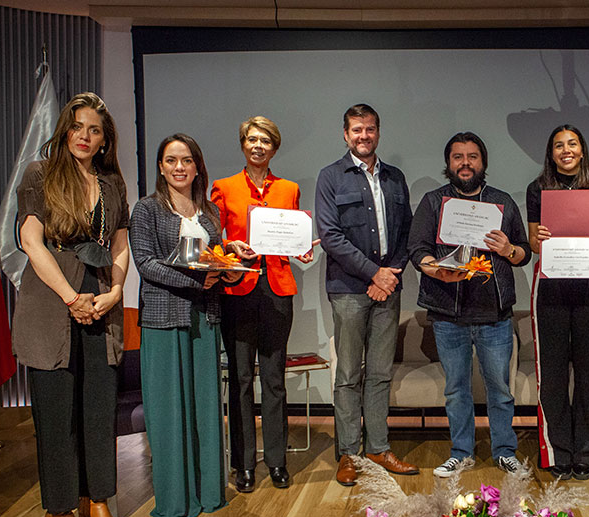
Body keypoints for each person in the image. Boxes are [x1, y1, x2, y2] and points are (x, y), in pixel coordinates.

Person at [12, 92, 129, 517]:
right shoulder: (40, 174)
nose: (85, 136)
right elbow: (30, 241)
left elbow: (120, 245)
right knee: (58, 411)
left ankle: (95, 500)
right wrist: (69, 297)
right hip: (52, 300)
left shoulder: (112, 183)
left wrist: (116, 290)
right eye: (77, 127)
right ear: (65, 131)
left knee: (99, 406)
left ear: (104, 139)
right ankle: (59, 509)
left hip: (102, 299)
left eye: (94, 129)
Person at [129, 134, 241, 517]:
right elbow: (145, 264)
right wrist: (196, 283)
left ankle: (210, 492)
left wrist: (230, 262)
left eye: (187, 160)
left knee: (205, 409)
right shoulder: (146, 210)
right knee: (168, 411)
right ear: (161, 166)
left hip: (205, 319)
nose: (180, 167)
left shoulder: (208, 211)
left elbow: (215, 257)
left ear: (197, 166)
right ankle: (177, 500)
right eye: (171, 160)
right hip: (164, 320)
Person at [409, 132, 531, 477]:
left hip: (495, 315)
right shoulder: (434, 202)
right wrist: (436, 270)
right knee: (456, 389)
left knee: (500, 389)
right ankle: (461, 452)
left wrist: (508, 249)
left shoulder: (503, 203)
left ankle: (504, 451)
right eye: (458, 157)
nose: (465, 163)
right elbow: (417, 250)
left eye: (472, 156)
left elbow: (524, 253)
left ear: (483, 162)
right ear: (448, 164)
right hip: (449, 314)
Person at [315, 104, 417, 486]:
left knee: (379, 374)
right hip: (348, 290)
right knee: (348, 375)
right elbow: (331, 236)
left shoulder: (394, 178)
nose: (364, 136)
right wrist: (374, 273)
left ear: (378, 132)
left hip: (388, 288)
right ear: (345, 134)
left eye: (370, 129)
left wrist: (389, 276)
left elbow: (407, 233)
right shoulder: (330, 177)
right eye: (356, 130)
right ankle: (349, 454)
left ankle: (378, 447)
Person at [211, 116, 313, 493]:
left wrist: (300, 250)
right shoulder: (223, 187)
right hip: (238, 289)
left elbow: (293, 237)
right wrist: (227, 248)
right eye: (252, 140)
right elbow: (212, 240)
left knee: (274, 380)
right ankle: (243, 464)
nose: (258, 146)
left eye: (265, 141)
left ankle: (276, 461)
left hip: (277, 289)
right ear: (243, 145)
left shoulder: (289, 189)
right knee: (239, 380)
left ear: (274, 147)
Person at [525, 125, 589, 481]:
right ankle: (558, 450)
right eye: (558, 145)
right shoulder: (538, 189)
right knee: (555, 375)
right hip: (551, 291)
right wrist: (539, 238)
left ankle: (587, 452)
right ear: (551, 152)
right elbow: (532, 242)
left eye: (572, 143)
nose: (566, 150)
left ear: (582, 149)